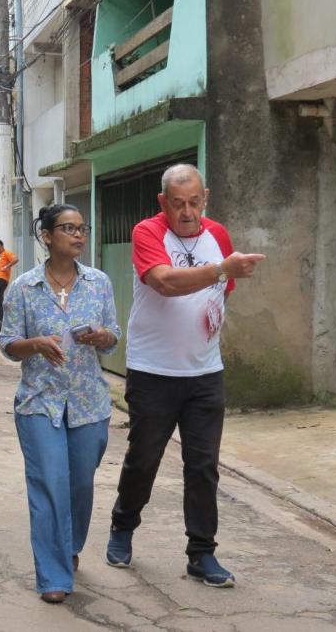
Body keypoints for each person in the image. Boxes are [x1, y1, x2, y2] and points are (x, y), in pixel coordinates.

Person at [105, 164, 265, 588]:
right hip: (153, 371)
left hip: (205, 372)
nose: (188, 212)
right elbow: (164, 282)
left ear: (205, 198)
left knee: (203, 466)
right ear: (163, 202)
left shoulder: (219, 236)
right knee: (144, 459)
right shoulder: (147, 232)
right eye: (178, 204)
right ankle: (123, 524)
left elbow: (221, 294)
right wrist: (220, 270)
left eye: (195, 202)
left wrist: (215, 298)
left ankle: (202, 553)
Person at [0, 204, 121, 604]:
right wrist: (35, 344)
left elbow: (114, 335)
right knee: (49, 483)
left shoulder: (99, 283)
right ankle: (53, 574)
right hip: (40, 402)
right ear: (47, 237)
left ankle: (70, 544)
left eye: (82, 228)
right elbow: (8, 344)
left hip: (89, 402)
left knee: (80, 484)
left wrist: (102, 336)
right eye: (68, 228)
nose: (78, 235)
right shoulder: (23, 287)